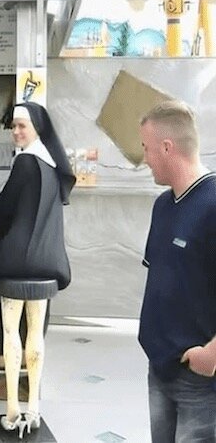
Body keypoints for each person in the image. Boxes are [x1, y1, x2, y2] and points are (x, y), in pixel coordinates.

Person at [0, 101, 75, 435]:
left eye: (22, 126)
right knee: (35, 334)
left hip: (19, 260)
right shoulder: (50, 163)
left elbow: (3, 209)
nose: (16, 132)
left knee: (0, 312)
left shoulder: (25, 161)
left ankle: (10, 407)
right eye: (14, 126)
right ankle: (33, 407)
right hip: (49, 262)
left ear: (37, 128)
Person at [138, 99, 216, 442]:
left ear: (167, 147)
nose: (144, 158)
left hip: (199, 380)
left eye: (146, 148)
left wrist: (211, 355)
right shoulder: (163, 205)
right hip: (160, 367)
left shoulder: (212, 204)